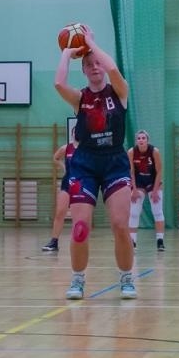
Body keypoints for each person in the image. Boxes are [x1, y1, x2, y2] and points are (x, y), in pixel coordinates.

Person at [55, 27, 137, 300]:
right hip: (85, 164)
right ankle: (78, 279)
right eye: (88, 65)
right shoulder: (80, 99)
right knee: (80, 228)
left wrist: (91, 43)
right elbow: (58, 84)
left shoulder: (120, 91)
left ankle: (126, 277)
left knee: (120, 224)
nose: (94, 67)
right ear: (84, 71)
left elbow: (113, 69)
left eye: (96, 63)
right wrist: (67, 54)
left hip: (114, 161)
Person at [127, 130, 165, 252]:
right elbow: (131, 172)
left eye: (143, 138)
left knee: (157, 211)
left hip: (153, 181)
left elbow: (159, 171)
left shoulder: (154, 151)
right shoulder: (131, 152)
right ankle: (132, 241)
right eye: (139, 138)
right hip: (138, 182)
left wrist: (155, 190)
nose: (141, 140)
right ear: (136, 141)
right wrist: (133, 189)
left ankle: (160, 241)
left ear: (147, 140)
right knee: (133, 212)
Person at [40, 139, 75, 253]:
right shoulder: (66, 148)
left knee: (79, 216)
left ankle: (78, 242)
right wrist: (63, 167)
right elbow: (55, 158)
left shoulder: (87, 149)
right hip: (67, 183)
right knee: (60, 212)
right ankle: (54, 242)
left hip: (82, 183)